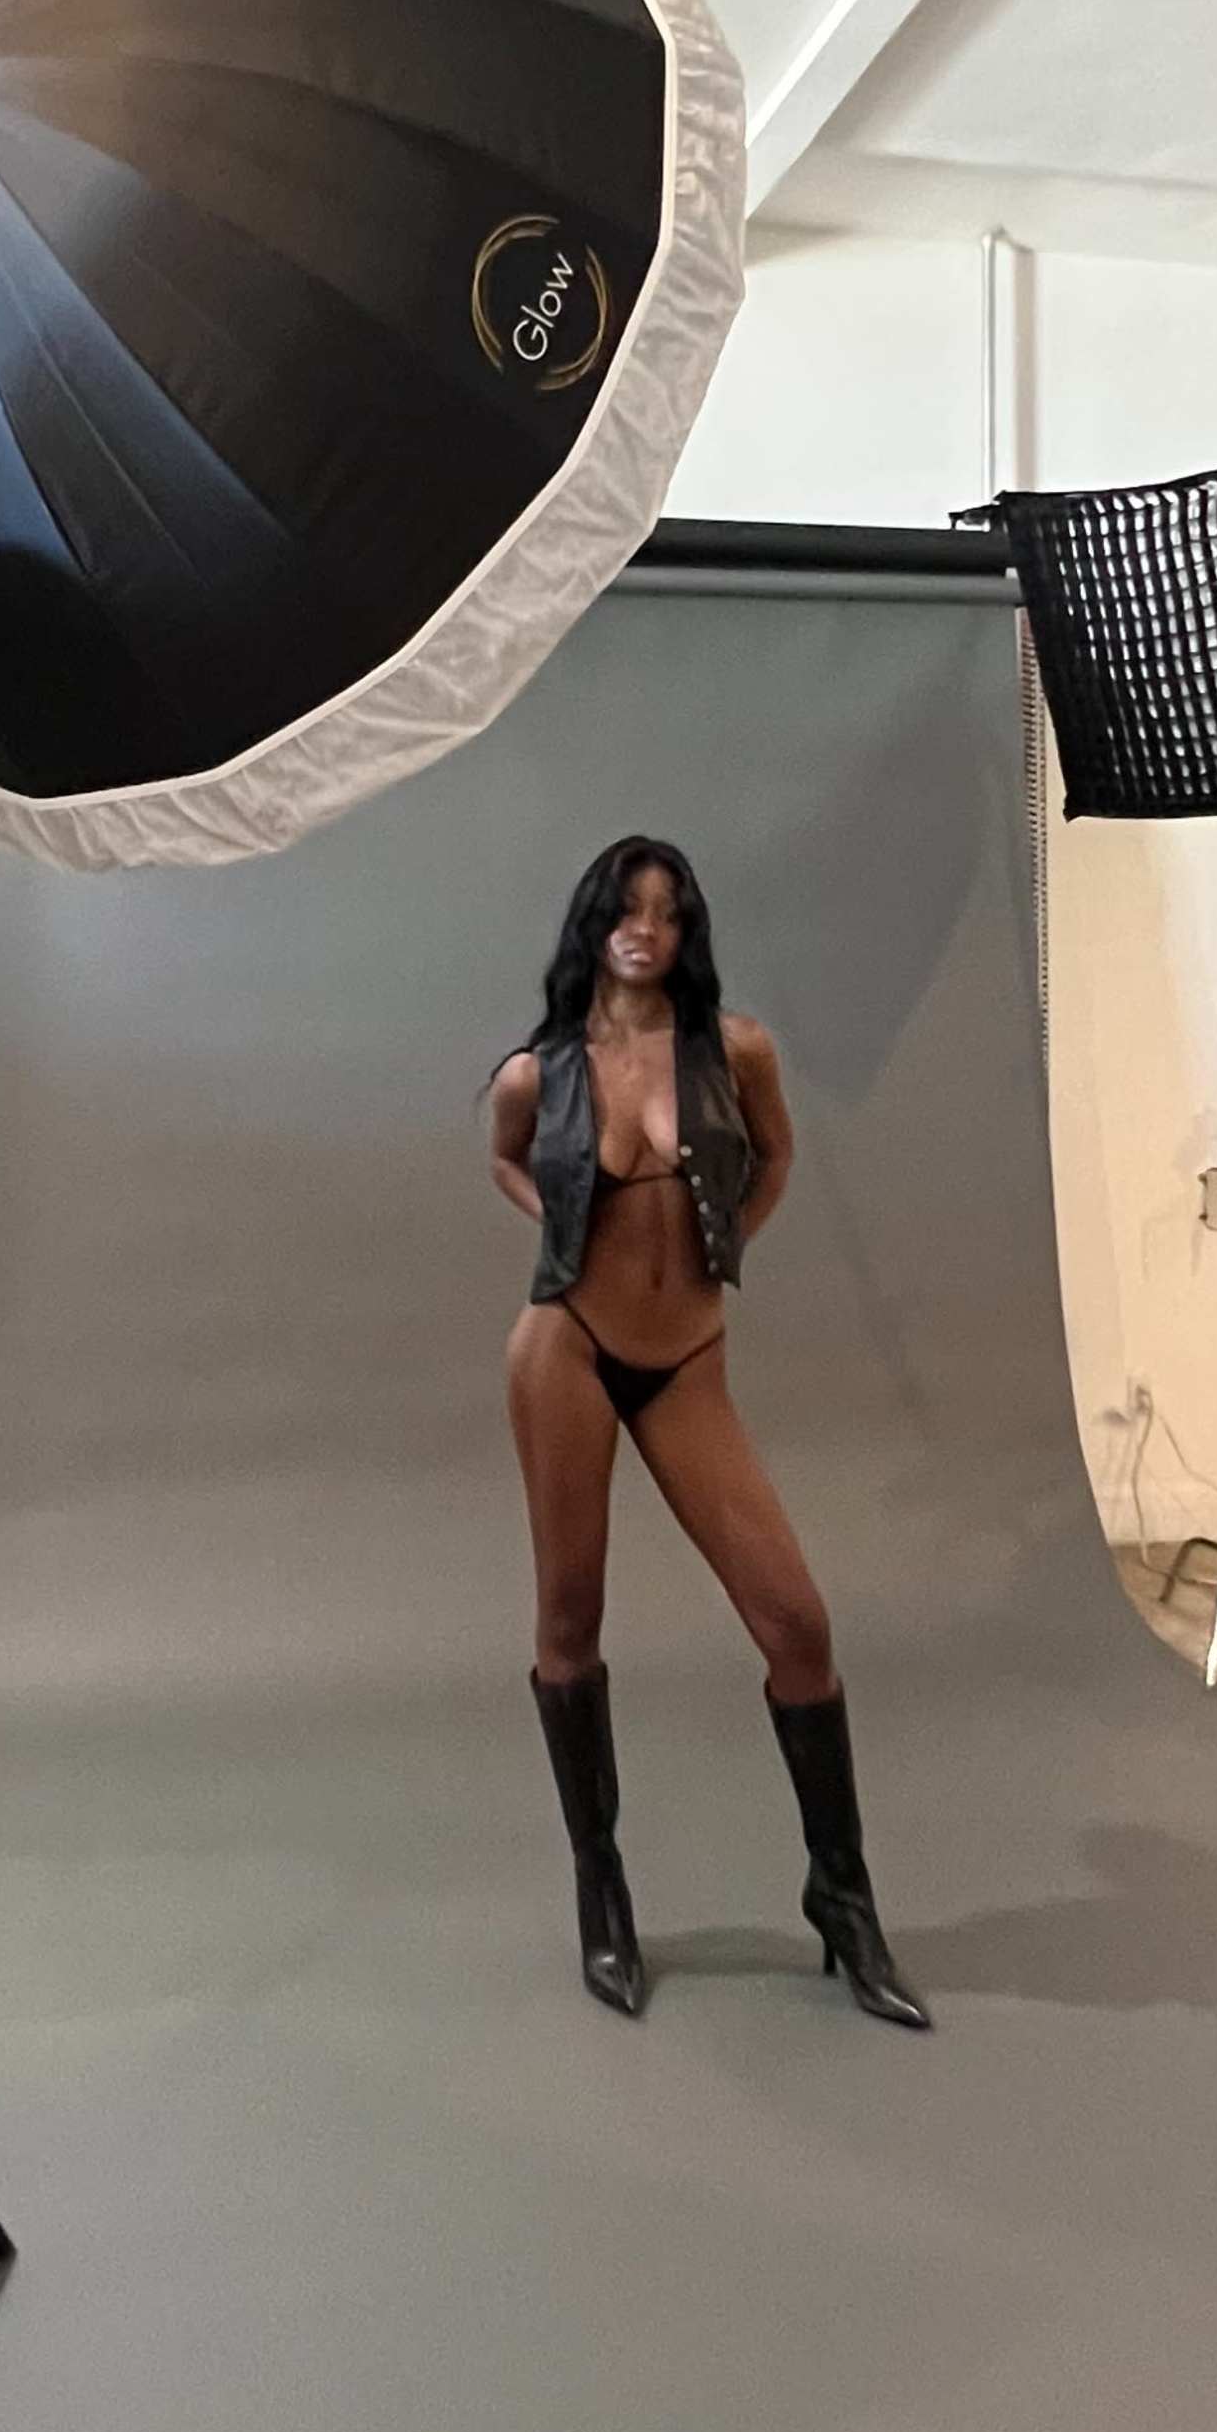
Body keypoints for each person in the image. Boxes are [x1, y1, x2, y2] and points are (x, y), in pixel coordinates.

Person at [486, 835, 925, 2032]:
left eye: (668, 912)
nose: (647, 928)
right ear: (595, 923)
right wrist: (560, 1227)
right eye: (628, 909)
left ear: (688, 932)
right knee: (570, 1617)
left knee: (797, 1621)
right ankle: (603, 1890)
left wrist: (729, 1238)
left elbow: (774, 1158)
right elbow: (506, 1161)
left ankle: (842, 1897)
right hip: (566, 1347)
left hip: (686, 1355)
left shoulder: (736, 1052)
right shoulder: (542, 1070)